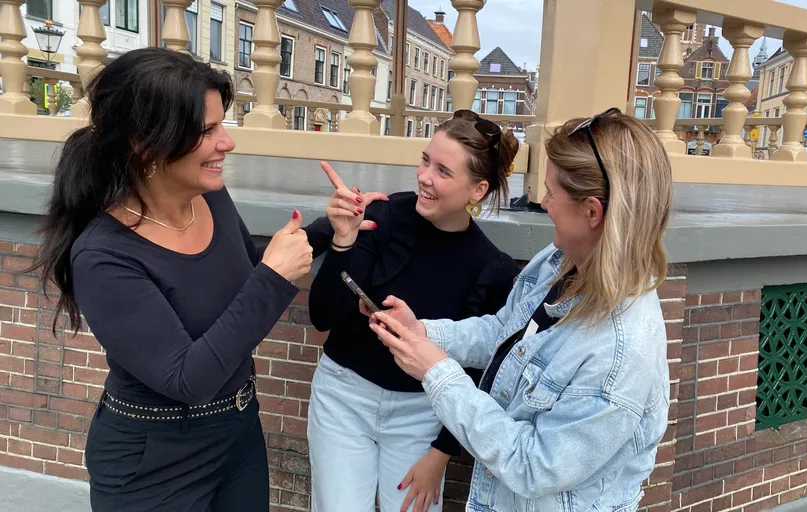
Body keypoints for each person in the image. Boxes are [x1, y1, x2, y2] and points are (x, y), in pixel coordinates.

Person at [27, 47, 357, 511]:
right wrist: (274, 278)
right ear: (146, 143)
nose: (228, 142)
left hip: (238, 434)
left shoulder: (209, 199)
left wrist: (329, 226)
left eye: (223, 124)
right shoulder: (104, 256)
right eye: (207, 131)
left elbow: (240, 273)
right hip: (154, 460)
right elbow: (187, 378)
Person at [367, 108, 673, 511]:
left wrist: (437, 373)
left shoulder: (621, 350)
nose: (542, 203)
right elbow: (504, 331)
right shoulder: (558, 261)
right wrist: (426, 332)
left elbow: (534, 465)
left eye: (551, 192)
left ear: (593, 212)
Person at [305, 110, 522, 512]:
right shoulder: (384, 216)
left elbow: (481, 371)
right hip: (344, 398)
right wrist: (342, 242)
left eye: (442, 170)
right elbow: (322, 315)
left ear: (478, 189)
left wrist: (441, 454)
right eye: (425, 160)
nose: (424, 176)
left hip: (423, 415)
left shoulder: (491, 266)